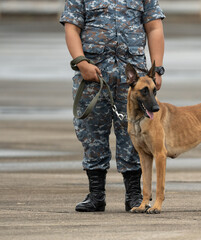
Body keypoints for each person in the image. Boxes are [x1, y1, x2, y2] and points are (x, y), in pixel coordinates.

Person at [59, 0, 165, 212]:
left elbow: (154, 26)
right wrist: (81, 63)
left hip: (134, 80)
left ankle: (135, 195)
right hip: (93, 76)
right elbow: (72, 28)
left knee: (136, 134)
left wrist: (158, 68)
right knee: (91, 134)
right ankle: (96, 195)